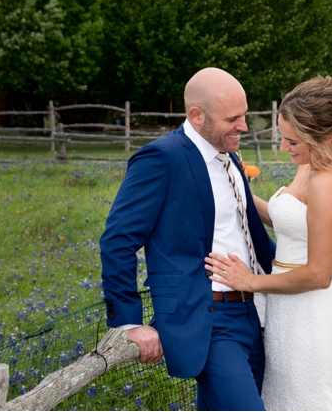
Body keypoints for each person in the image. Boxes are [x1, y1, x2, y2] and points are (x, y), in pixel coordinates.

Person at [100, 67, 275, 411]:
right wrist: (128, 321)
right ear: (197, 115)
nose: (243, 126)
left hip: (253, 312)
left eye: (245, 115)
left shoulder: (229, 158)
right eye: (233, 118)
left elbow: (248, 234)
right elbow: (118, 239)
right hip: (208, 318)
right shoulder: (162, 158)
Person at [204, 75, 332, 411]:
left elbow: (319, 274)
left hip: (315, 319)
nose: (284, 148)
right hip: (290, 313)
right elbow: (291, 222)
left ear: (322, 135)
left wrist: (249, 281)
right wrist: (238, 190)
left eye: (292, 141)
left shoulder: (329, 182)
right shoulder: (313, 162)